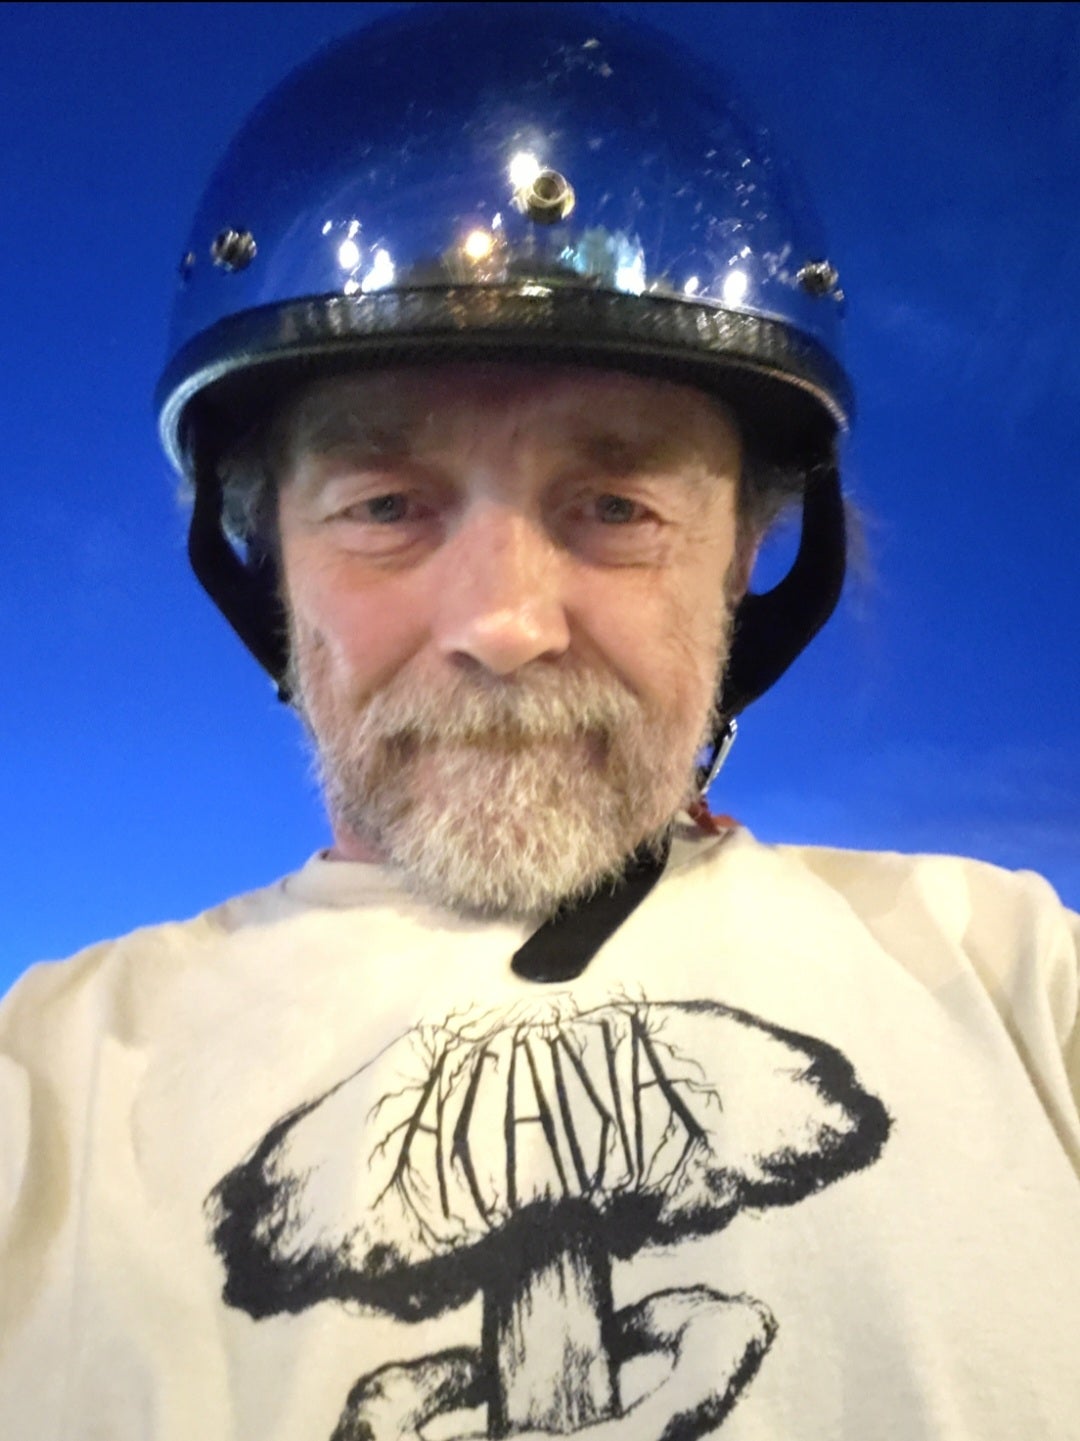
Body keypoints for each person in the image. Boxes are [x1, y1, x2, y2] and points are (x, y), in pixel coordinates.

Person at [2, 6, 1077, 1439]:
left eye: (616, 505)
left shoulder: (1019, 988)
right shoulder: (50, 1085)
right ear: (268, 566)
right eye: (387, 505)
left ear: (746, 559)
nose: (504, 623)